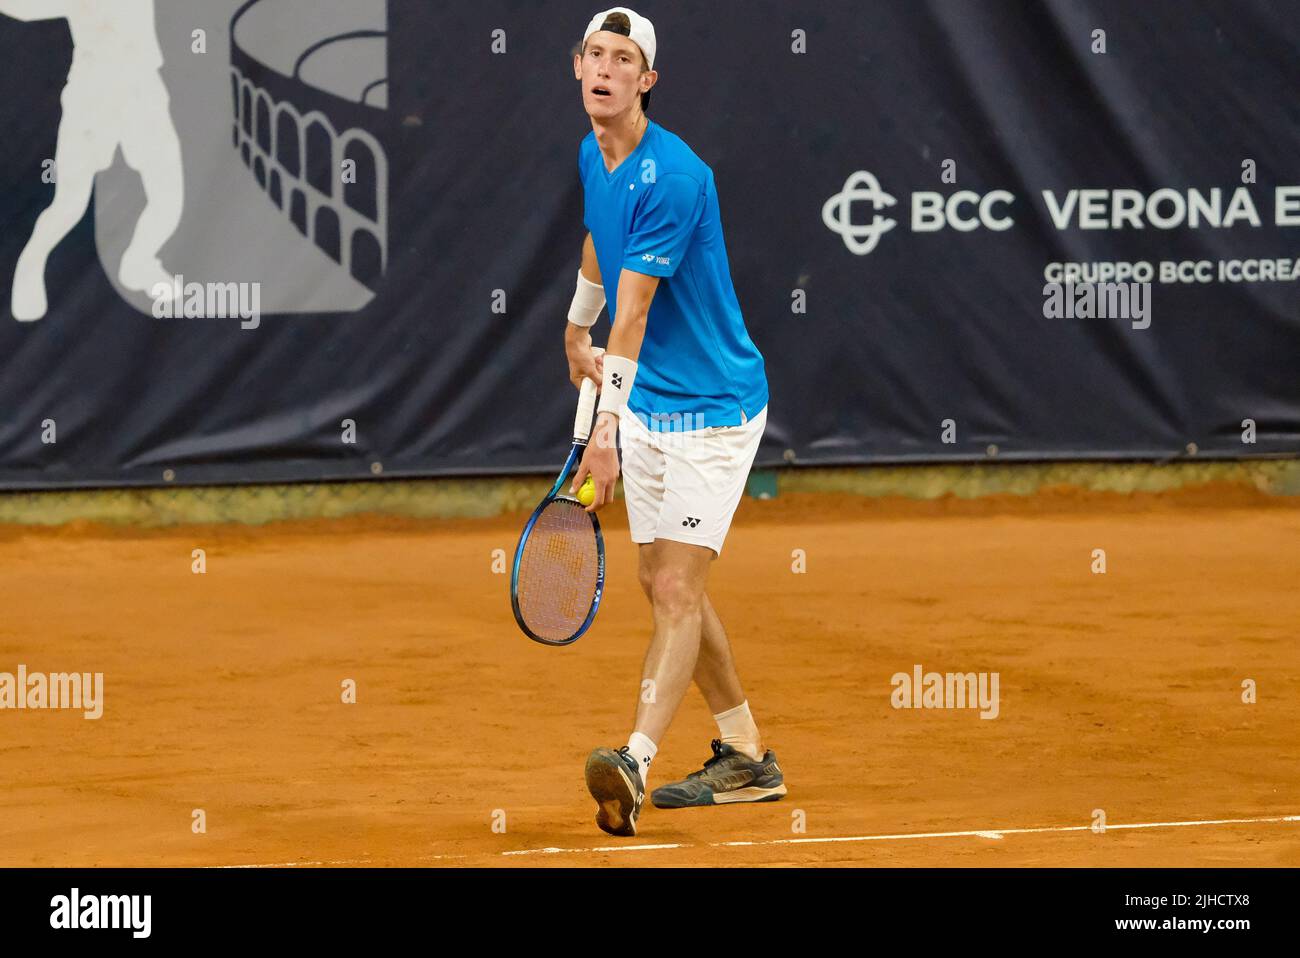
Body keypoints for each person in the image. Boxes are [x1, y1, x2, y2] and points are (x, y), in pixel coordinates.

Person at [565, 6, 785, 837]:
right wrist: (571, 325)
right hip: (652, 401)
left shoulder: (678, 176)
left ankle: (634, 760)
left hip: (715, 412)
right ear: (576, 66)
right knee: (660, 586)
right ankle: (746, 759)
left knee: (676, 588)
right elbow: (598, 242)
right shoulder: (595, 151)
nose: (606, 69)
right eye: (595, 54)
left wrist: (601, 428)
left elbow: (637, 315)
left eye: (623, 60)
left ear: (646, 81)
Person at [1, 0, 182, 321]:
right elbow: (25, 8)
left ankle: (139, 263)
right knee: (69, 205)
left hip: (143, 89)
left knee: (169, 196)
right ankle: (30, 266)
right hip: (92, 93)